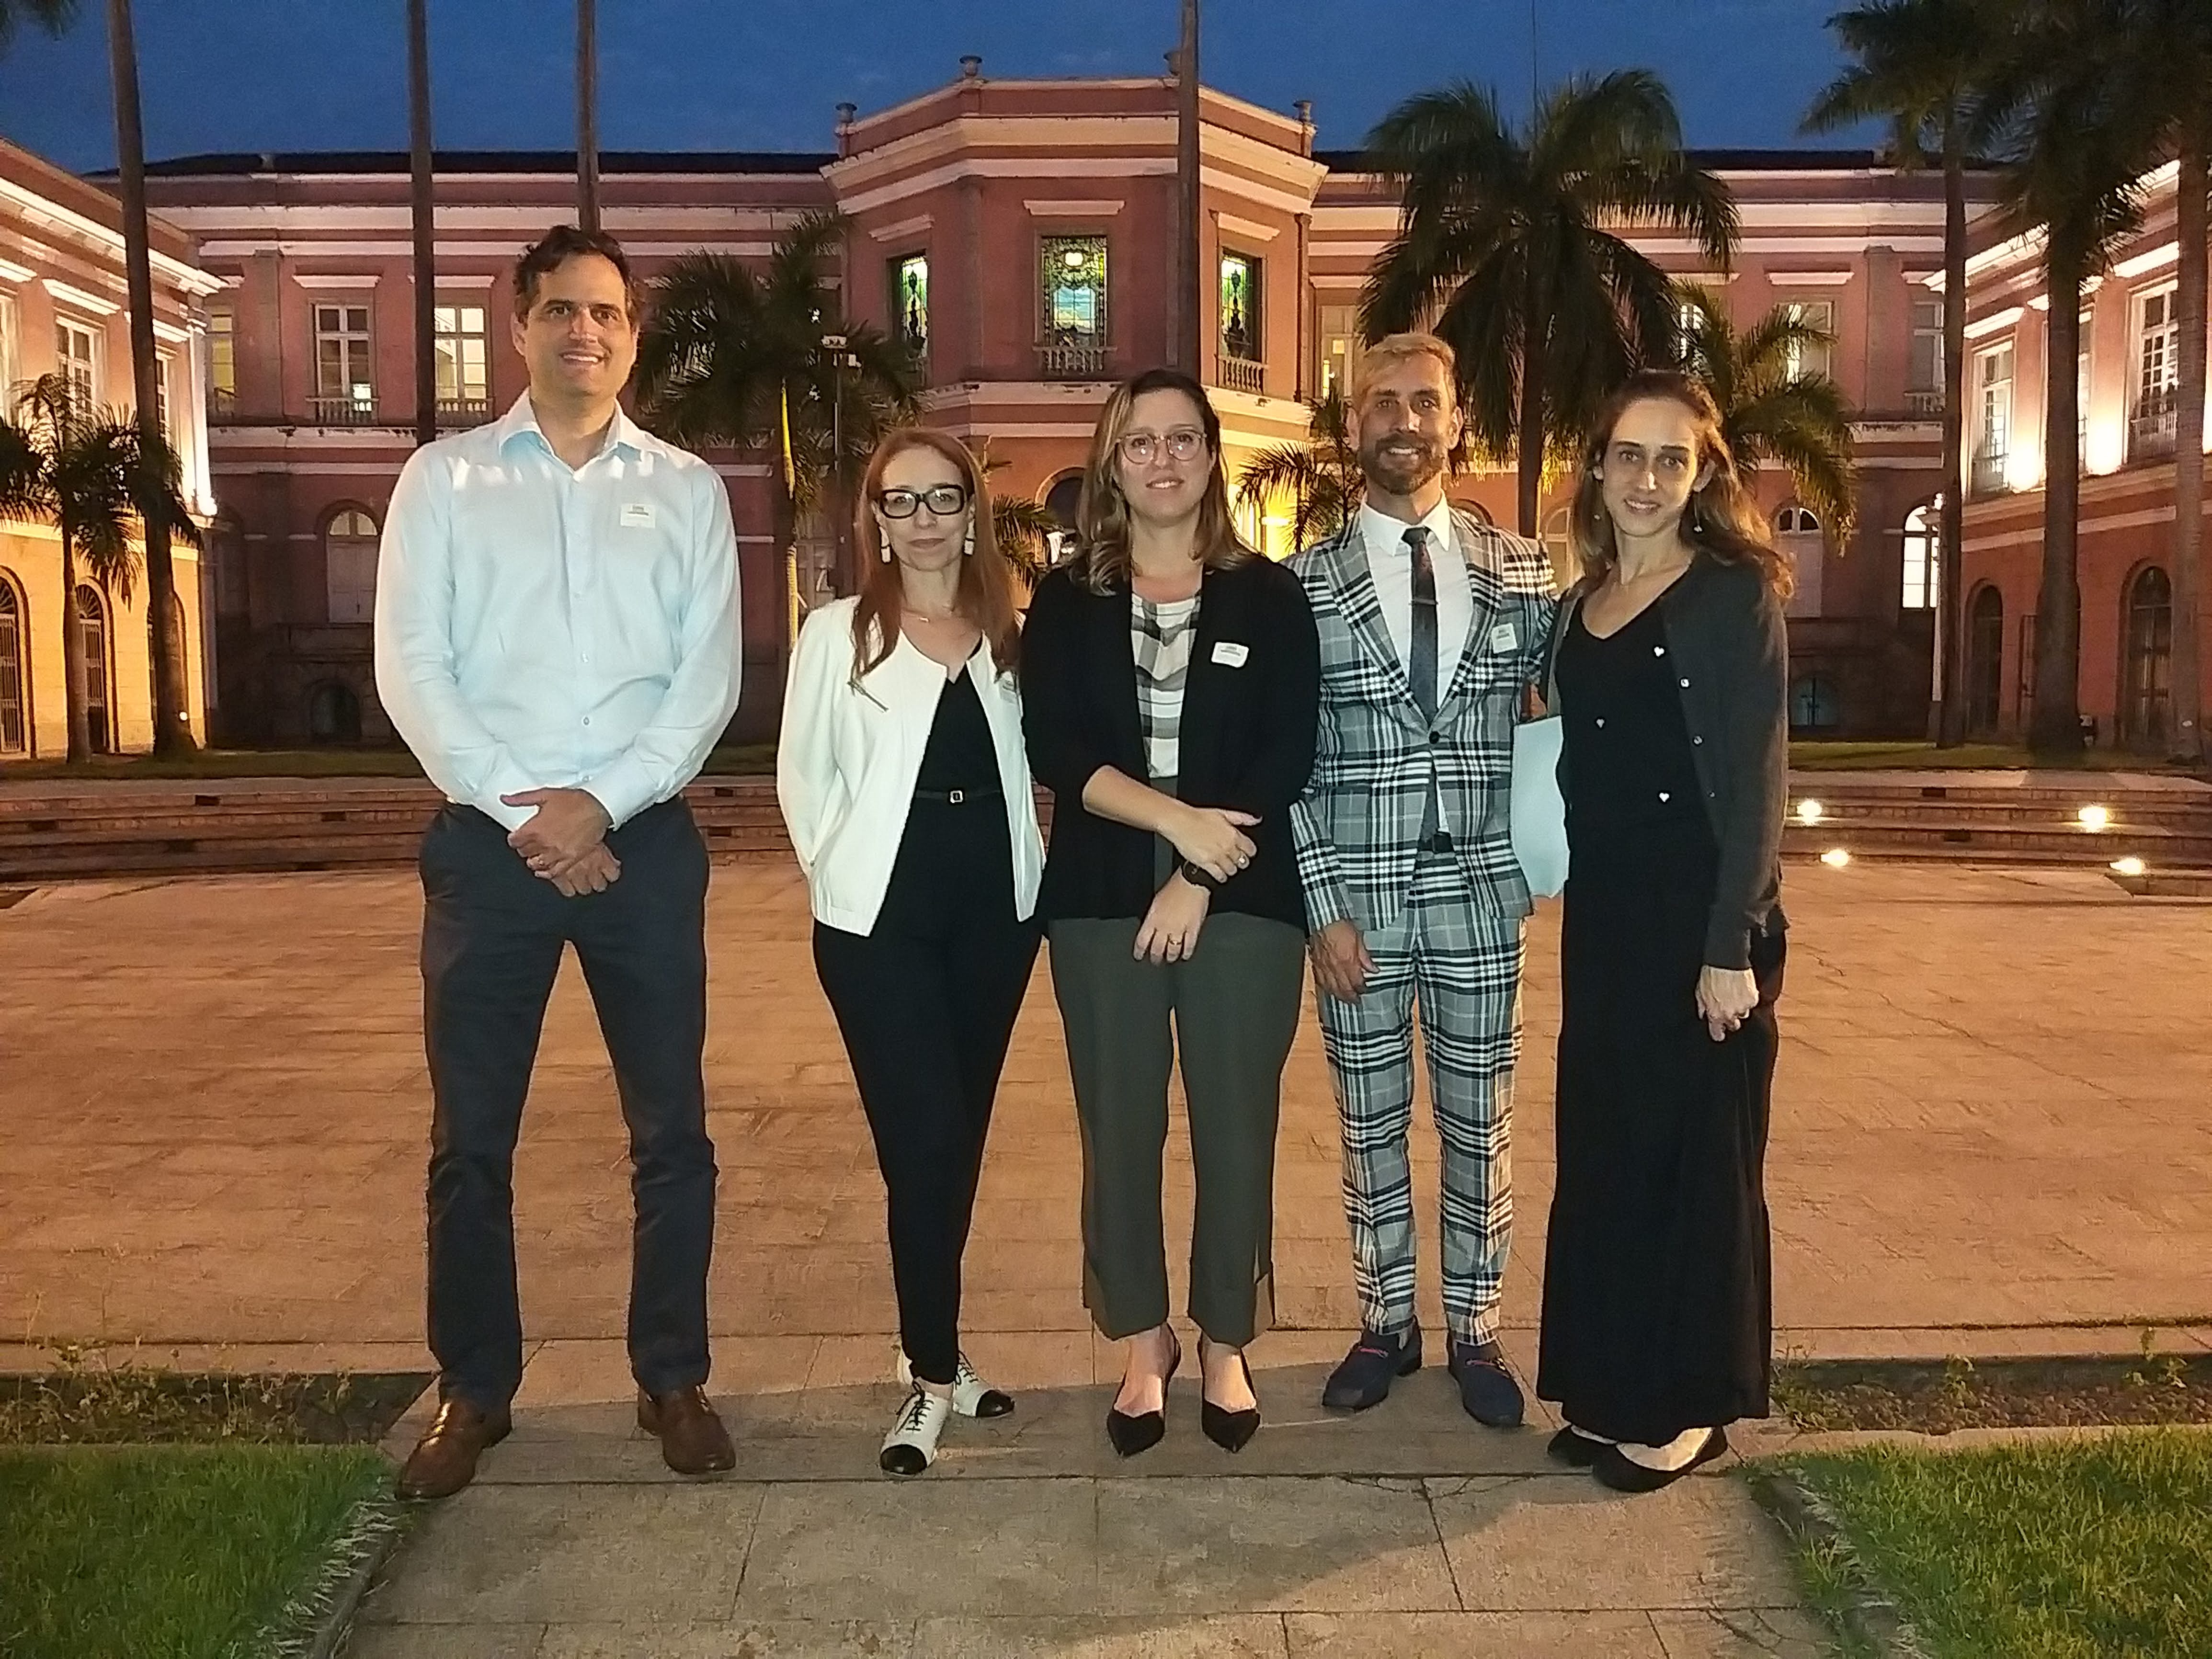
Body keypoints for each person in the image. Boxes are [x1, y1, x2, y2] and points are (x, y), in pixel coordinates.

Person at [375, 225, 742, 1499]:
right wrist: (526, 816)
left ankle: (672, 1376)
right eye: (560, 310)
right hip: (489, 855)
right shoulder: (445, 481)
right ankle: (474, 1390)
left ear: (632, 336)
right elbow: (412, 666)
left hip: (644, 846)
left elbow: (706, 680)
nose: (584, 331)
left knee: (672, 1132)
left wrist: (605, 805)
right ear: (520, 325)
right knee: (470, 1140)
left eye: (607, 313)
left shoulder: (687, 490)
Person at [1023, 368, 1320, 1457]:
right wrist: (1172, 826)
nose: (1162, 458)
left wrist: (1199, 872)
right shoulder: (1067, 598)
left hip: (1242, 891)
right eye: (1140, 440)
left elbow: (1286, 748)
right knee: (1119, 1127)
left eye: (1182, 438)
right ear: (1113, 460)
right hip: (1101, 891)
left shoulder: (1268, 595)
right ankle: (1142, 1339)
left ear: (1210, 457)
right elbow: (1055, 746)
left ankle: (1225, 1340)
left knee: (1236, 1127)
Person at [1288, 332, 1557, 1428]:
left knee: (1478, 1124)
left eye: (1423, 402)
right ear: (1351, 424)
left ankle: (1475, 1328)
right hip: (1356, 903)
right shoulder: (1303, 584)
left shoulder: (1523, 572)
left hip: (1481, 895)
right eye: (1381, 402)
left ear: (1455, 422)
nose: (1403, 420)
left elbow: (1567, 714)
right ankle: (1386, 1320)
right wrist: (1320, 908)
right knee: (1368, 1123)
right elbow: (1284, 764)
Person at [1535, 371, 1789, 1492]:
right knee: (1609, 1155)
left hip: (1700, 921)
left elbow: (1758, 778)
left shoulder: (1730, 594)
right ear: (1596, 467)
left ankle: (1688, 1408)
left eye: (1669, 458)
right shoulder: (1580, 602)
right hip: (1606, 922)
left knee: (1695, 1166)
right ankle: (1609, 1390)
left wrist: (1731, 944)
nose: (1644, 478)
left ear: (1701, 474)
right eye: (1627, 455)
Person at [777, 429, 1043, 1477]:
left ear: (972, 512)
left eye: (943, 497)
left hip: (996, 920)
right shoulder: (837, 633)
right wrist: (840, 877)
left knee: (957, 1141)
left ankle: (931, 1339)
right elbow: (803, 781)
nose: (923, 517)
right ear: (876, 519)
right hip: (879, 928)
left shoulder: (1010, 633)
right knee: (923, 1138)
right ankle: (930, 1375)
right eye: (901, 500)